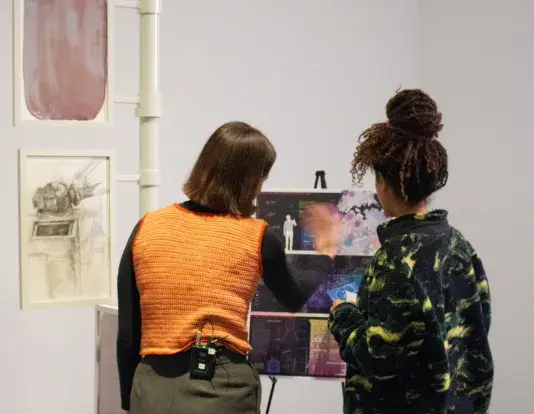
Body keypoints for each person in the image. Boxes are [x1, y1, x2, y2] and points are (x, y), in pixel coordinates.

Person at [116, 121, 341, 414]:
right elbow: (295, 297)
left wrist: (129, 402)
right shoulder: (257, 235)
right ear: (248, 181)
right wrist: (324, 254)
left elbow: (128, 334)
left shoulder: (147, 227)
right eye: (262, 178)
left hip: (152, 390)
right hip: (222, 388)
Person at [328, 89, 493, 413]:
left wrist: (342, 313)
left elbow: (378, 354)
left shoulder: (395, 259)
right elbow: (477, 332)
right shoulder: (460, 247)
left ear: (386, 183)